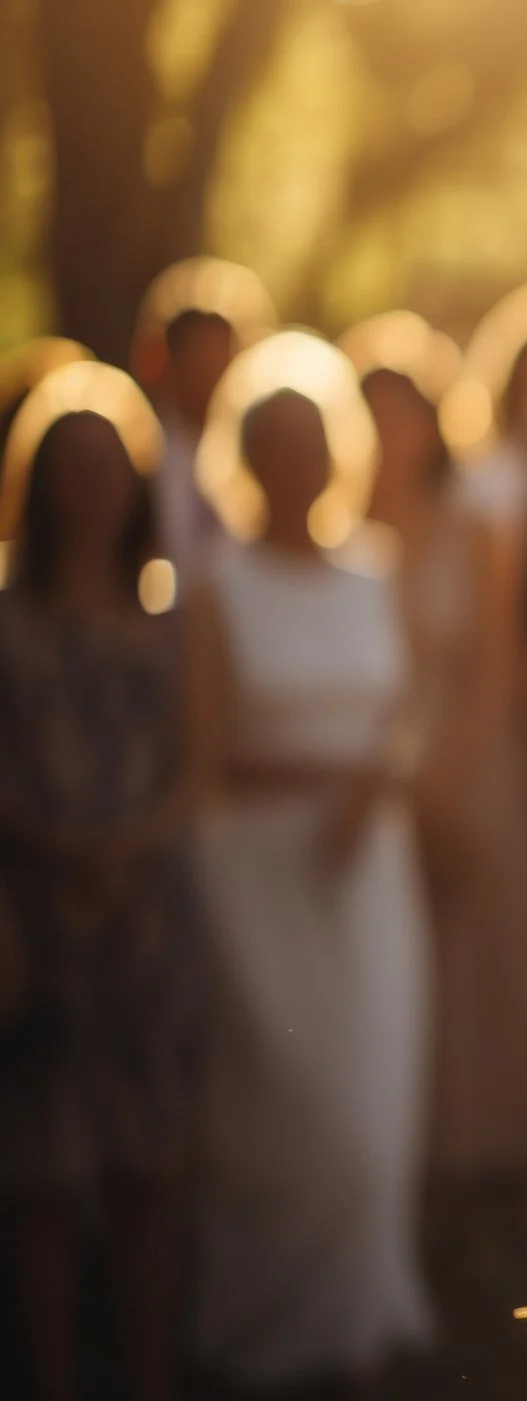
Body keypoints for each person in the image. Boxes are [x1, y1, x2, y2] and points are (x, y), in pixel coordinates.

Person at [189, 372, 433, 1396]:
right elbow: (206, 755)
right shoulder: (211, 582)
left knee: (372, 1102)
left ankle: (357, 1326)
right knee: (282, 1110)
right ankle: (264, 1328)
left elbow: (404, 709)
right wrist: (339, 779)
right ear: (246, 458)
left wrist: (380, 777)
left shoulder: (375, 571)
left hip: (368, 868)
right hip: (259, 871)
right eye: (275, 445)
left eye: (311, 442)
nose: (298, 464)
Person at [0, 380, 202, 1401]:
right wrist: (58, 846)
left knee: (148, 1169)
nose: (90, 491)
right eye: (69, 471)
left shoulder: (168, 616)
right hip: (36, 921)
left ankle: (150, 1377)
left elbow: (197, 762)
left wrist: (129, 845)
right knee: (38, 1178)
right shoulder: (7, 618)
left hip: (148, 924)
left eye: (107, 470)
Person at [361, 353, 527, 1176]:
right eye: (371, 417)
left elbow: (499, 668)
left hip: (475, 759)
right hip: (371, 771)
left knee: (489, 954)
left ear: (430, 422)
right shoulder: (339, 533)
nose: (388, 435)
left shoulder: (476, 523)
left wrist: (442, 781)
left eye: (401, 414)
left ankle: (496, 1149)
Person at [147, 308, 240, 584]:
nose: (209, 374)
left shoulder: (259, 453)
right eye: (197, 359)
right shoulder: (147, 453)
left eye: (218, 359)